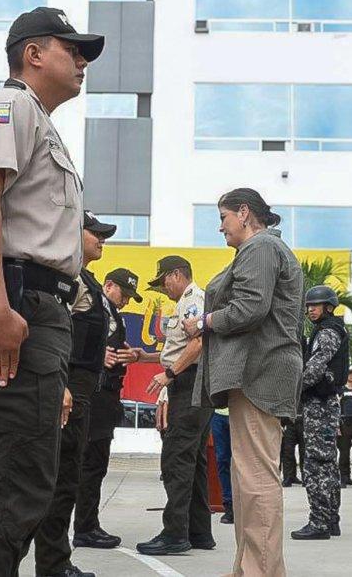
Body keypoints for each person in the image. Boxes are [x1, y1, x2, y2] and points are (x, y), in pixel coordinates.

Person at [0, 5, 102, 575]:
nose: (83, 59)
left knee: (24, 479)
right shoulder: (10, 103)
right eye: (73, 48)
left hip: (33, 309)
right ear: (33, 54)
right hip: (16, 305)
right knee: (12, 482)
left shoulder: (36, 116)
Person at [188, 188, 304, 576]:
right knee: (248, 479)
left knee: (255, 479)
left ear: (243, 212)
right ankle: (249, 567)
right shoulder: (260, 250)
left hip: (260, 372)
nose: (220, 226)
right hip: (255, 372)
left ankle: (260, 571)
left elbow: (251, 307)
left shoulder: (261, 248)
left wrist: (204, 322)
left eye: (223, 217)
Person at [32, 212, 118, 576]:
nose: (102, 240)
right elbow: (54, 334)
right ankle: (51, 564)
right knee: (58, 478)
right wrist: (62, 383)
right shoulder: (63, 276)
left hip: (82, 390)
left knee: (68, 478)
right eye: (95, 233)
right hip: (66, 387)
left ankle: (55, 562)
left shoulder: (87, 280)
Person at [133, 253, 213, 557]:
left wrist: (169, 373)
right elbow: (180, 348)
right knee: (192, 461)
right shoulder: (184, 303)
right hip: (191, 382)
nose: (164, 288)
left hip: (190, 384)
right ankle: (199, 531)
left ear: (176, 275)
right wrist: (147, 357)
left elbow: (199, 342)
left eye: (164, 281)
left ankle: (175, 533)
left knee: (176, 458)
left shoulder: (194, 300)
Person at [74, 267, 142, 545]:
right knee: (89, 464)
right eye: (123, 294)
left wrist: (130, 354)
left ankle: (88, 523)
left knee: (96, 463)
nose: (125, 300)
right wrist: (96, 355)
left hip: (107, 396)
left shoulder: (113, 314)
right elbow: (74, 336)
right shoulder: (94, 305)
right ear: (109, 284)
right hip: (94, 393)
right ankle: (84, 527)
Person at [292, 285, 346, 541]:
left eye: (315, 305)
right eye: (309, 306)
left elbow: (313, 369)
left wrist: (293, 390)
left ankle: (320, 523)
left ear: (328, 307)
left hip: (320, 405)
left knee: (315, 465)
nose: (310, 310)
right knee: (327, 464)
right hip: (324, 404)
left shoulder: (327, 332)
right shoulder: (328, 330)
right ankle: (331, 520)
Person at [280, 412, 304, 487]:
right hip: (289, 422)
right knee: (288, 451)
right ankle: (288, 477)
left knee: (304, 452)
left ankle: (306, 477)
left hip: (303, 421)